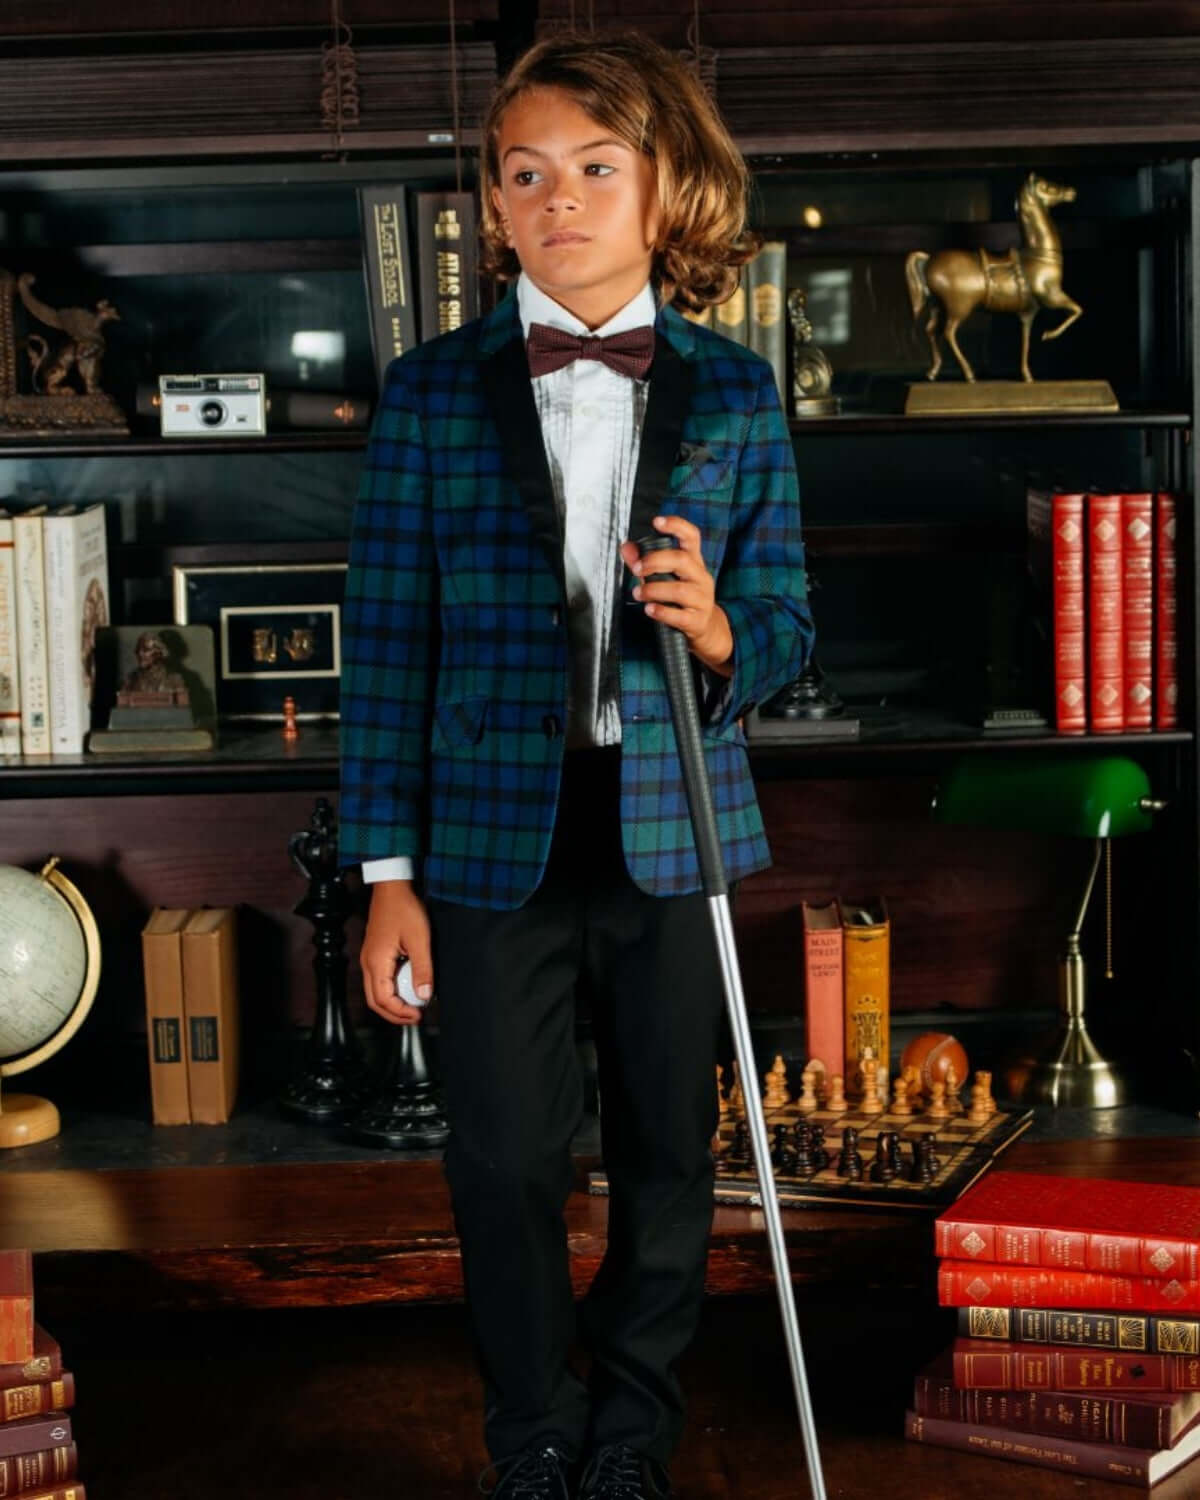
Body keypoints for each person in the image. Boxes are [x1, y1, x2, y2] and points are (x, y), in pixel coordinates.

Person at [339, 29, 812, 1500]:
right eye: (525, 173)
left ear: (662, 187)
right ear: (491, 204)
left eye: (596, 168)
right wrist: (386, 875)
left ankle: (633, 1429)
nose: (559, 197)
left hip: (675, 827)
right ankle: (532, 1429)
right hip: (485, 846)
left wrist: (726, 630)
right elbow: (386, 646)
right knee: (508, 1164)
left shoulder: (736, 394)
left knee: (669, 1157)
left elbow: (794, 629)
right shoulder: (429, 392)